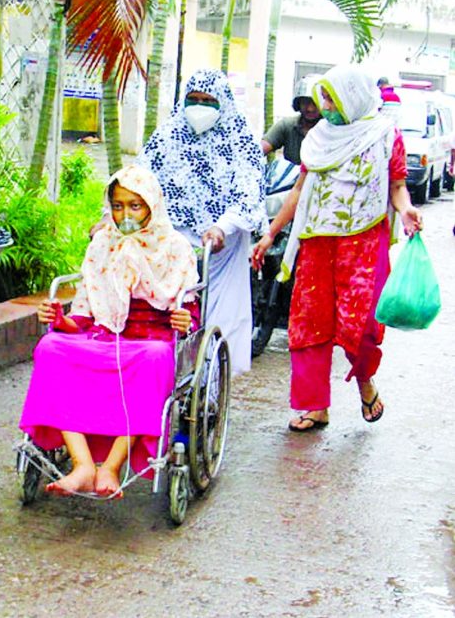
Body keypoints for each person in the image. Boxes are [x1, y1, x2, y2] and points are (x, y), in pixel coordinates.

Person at [251, 64, 422, 432]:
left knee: (359, 324)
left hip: (363, 244)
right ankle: (315, 406)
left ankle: (365, 383)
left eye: (330, 97)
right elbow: (299, 192)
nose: (324, 105)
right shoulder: (318, 139)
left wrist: (406, 210)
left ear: (352, 96)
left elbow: (396, 186)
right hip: (316, 243)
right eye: (322, 97)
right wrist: (271, 233)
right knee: (309, 324)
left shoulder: (385, 136)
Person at [19, 165, 199, 498]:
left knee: (155, 359)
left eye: (135, 205)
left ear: (151, 206)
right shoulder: (103, 244)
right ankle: (83, 465)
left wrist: (186, 321)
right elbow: (85, 317)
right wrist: (59, 319)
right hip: (104, 336)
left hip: (153, 340)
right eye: (118, 205)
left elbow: (190, 314)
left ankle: (111, 468)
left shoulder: (175, 247)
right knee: (50, 347)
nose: (125, 214)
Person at [136, 69, 265, 376]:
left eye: (209, 101)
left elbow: (249, 190)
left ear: (224, 104)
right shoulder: (167, 135)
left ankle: (210, 384)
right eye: (193, 100)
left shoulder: (241, 139)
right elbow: (138, 180)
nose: (199, 107)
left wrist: (224, 226)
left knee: (218, 314)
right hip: (172, 242)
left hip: (221, 242)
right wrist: (109, 218)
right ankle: (165, 374)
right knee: (169, 307)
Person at [261, 76, 322, 165]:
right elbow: (260, 149)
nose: (310, 109)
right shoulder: (287, 125)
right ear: (298, 104)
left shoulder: (331, 130)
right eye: (305, 102)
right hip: (291, 177)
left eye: (315, 103)